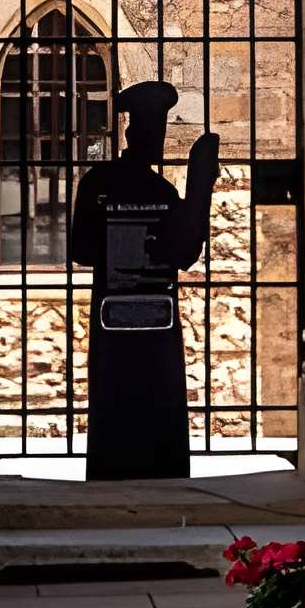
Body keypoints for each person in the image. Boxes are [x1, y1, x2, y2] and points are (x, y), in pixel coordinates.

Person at [68, 79, 219, 480]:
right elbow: (80, 248)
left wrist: (200, 188)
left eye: (161, 132)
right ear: (133, 133)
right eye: (152, 132)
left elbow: (186, 253)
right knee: (121, 400)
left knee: (155, 402)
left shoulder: (162, 190)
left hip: (153, 315)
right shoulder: (100, 183)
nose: (157, 140)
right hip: (118, 314)